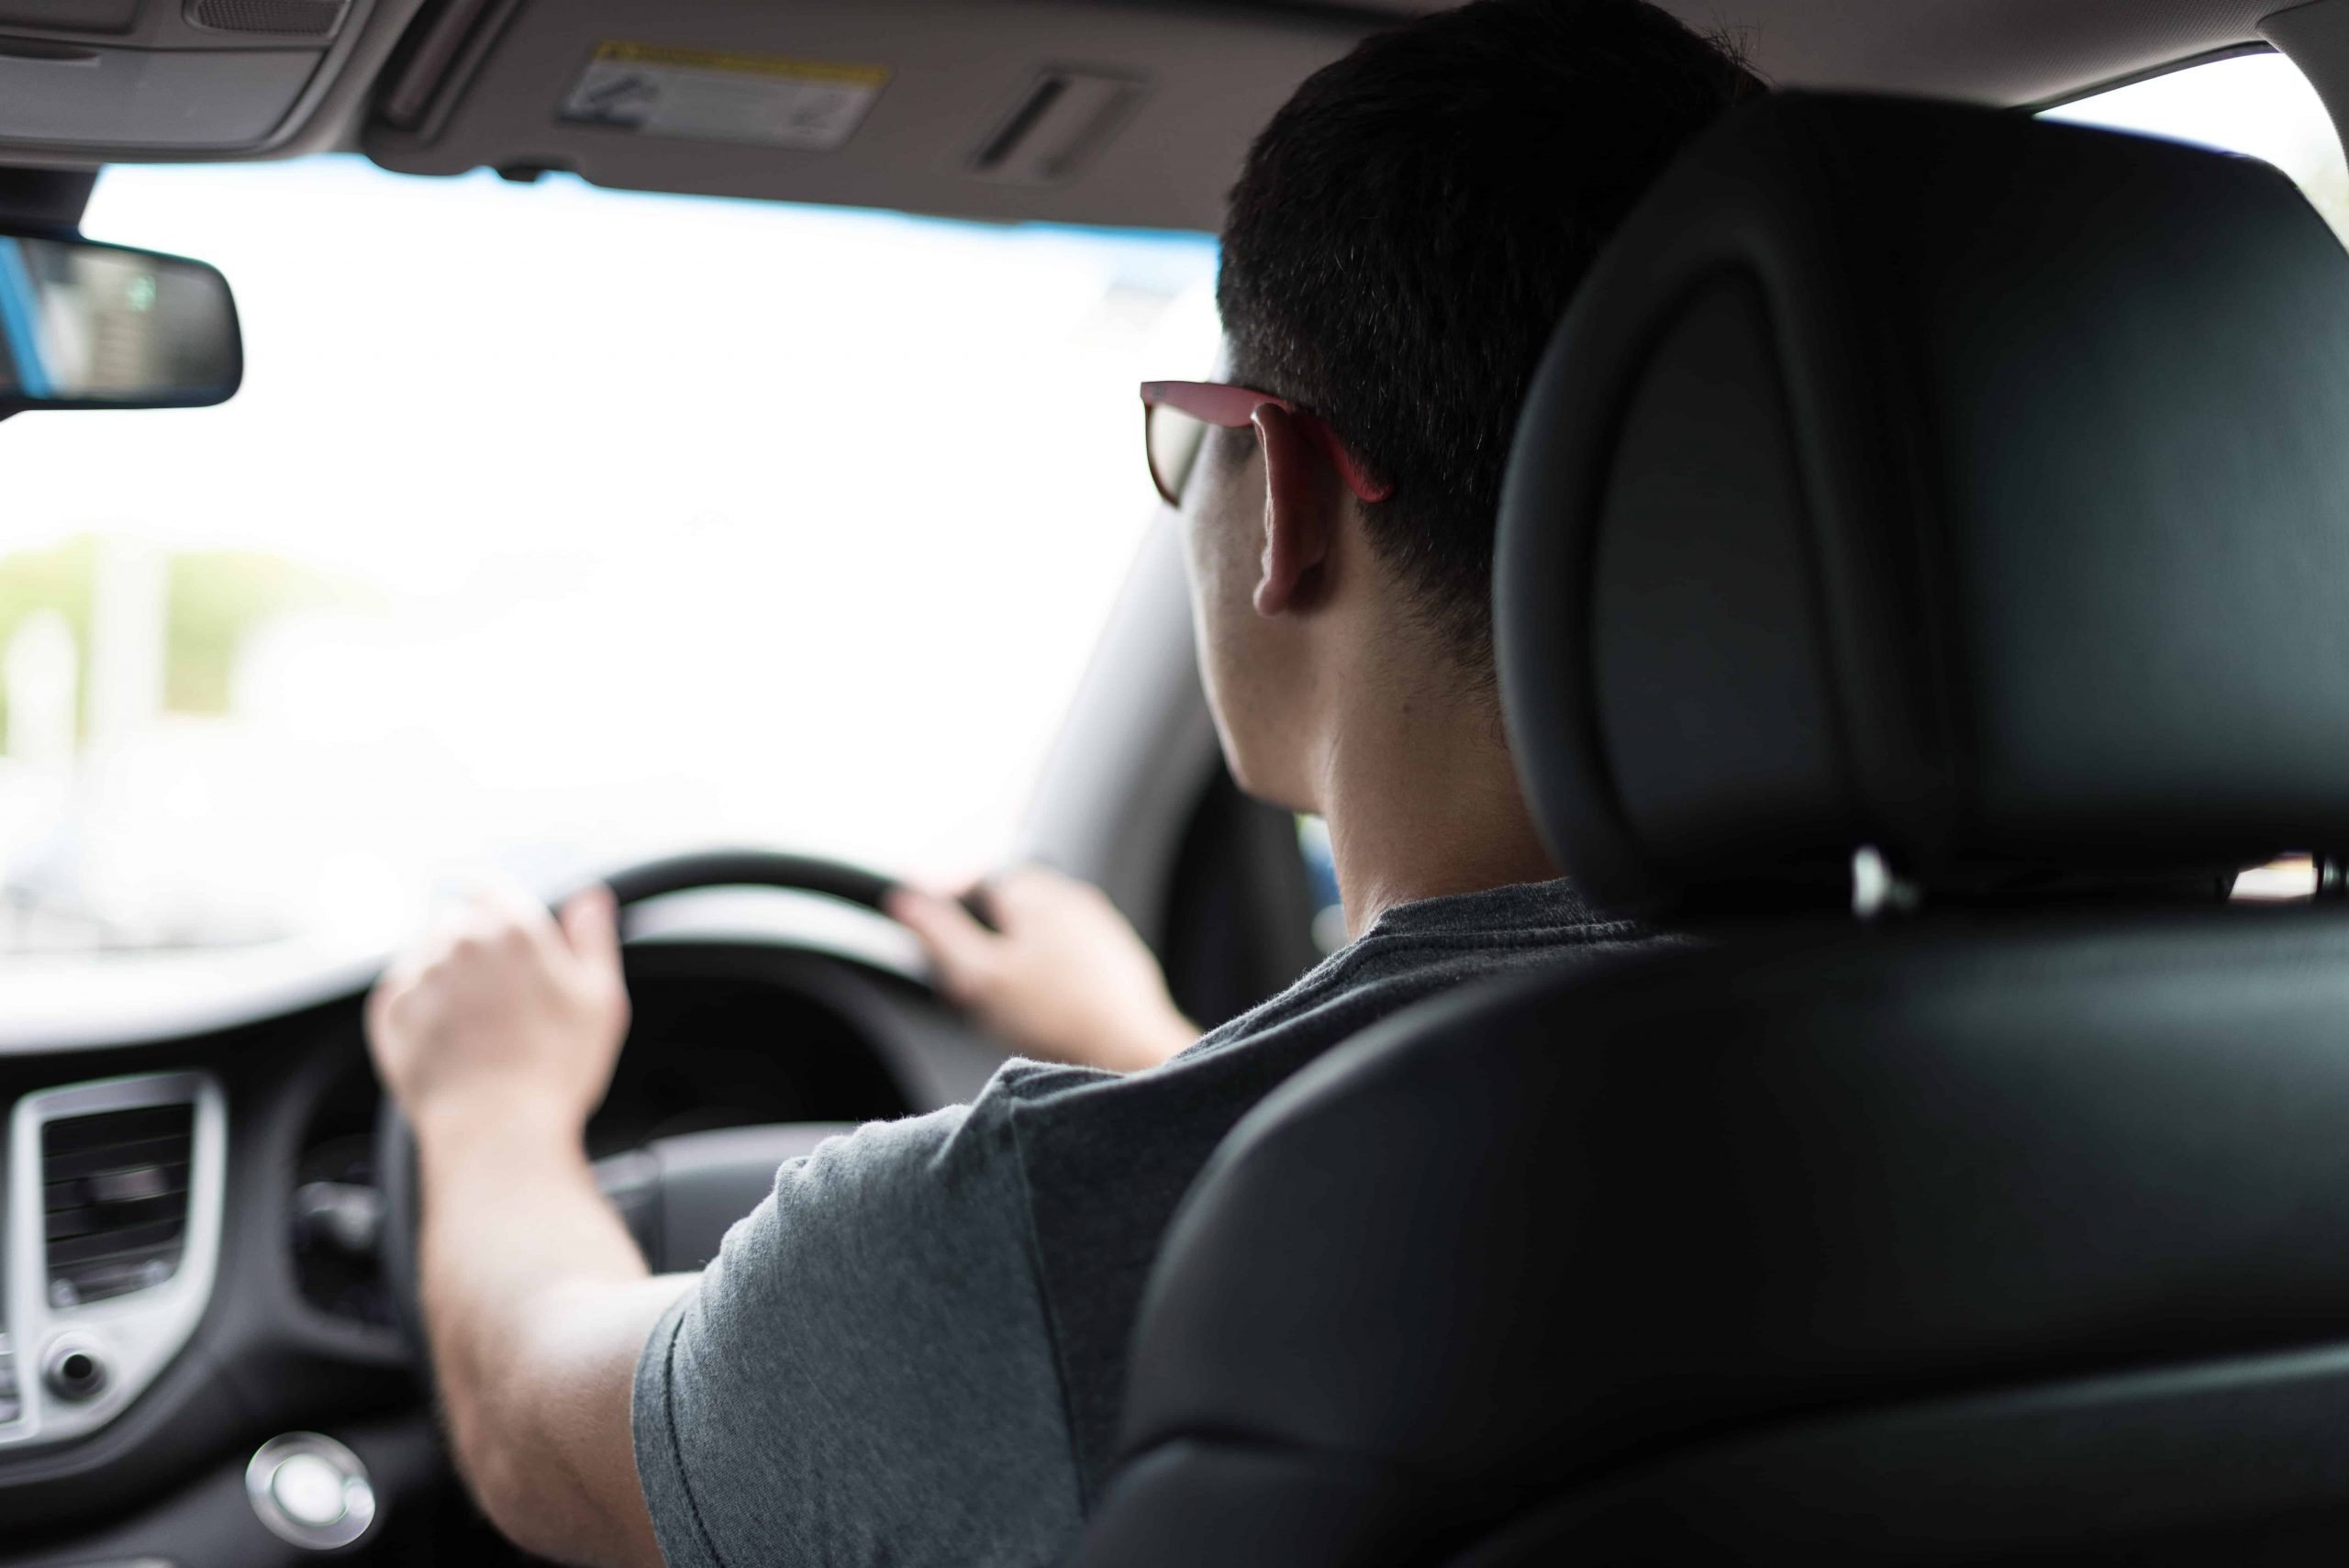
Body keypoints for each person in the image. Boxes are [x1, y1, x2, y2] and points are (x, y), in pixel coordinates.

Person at [362, 4, 1761, 1563]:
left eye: (1197, 439)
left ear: (1284, 490)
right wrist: (1145, 1048)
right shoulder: (2005, 1058)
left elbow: (533, 1426)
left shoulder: (1024, 1238)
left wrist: (487, 1104)